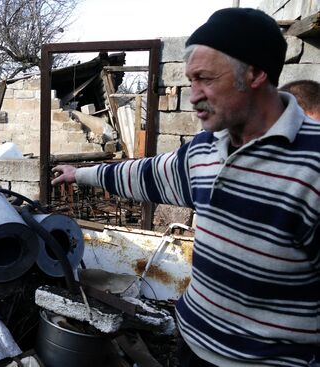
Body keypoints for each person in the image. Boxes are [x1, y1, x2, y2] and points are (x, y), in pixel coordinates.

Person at [52, 8, 319, 367]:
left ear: (255, 73)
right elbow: (146, 175)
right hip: (191, 346)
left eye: (205, 79)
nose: (193, 96)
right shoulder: (206, 147)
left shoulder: (312, 166)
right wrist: (81, 174)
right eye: (191, 81)